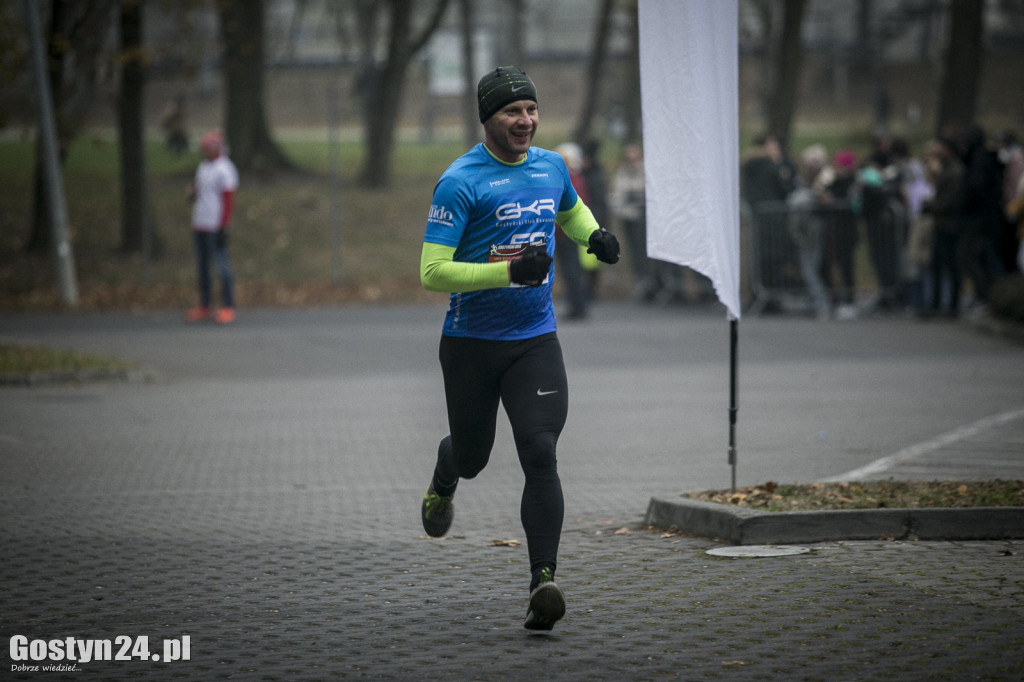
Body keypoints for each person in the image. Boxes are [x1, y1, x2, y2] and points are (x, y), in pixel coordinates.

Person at [418, 66, 620, 632]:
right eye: (512, 112)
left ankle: (543, 584)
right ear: (488, 118)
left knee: (540, 449)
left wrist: (593, 236)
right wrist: (507, 272)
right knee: (475, 457)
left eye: (531, 110)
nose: (525, 121)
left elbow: (569, 209)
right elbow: (432, 272)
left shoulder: (553, 166)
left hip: (534, 339)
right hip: (470, 345)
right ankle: (446, 469)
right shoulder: (460, 180)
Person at [185, 130, 238, 324]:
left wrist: (224, 226)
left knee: (222, 267)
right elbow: (199, 193)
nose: (204, 152)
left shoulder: (226, 169)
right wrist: (192, 193)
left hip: (215, 226)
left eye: (207, 148)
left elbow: (228, 200)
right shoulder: (203, 167)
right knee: (203, 268)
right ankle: (205, 306)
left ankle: (227, 307)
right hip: (200, 224)